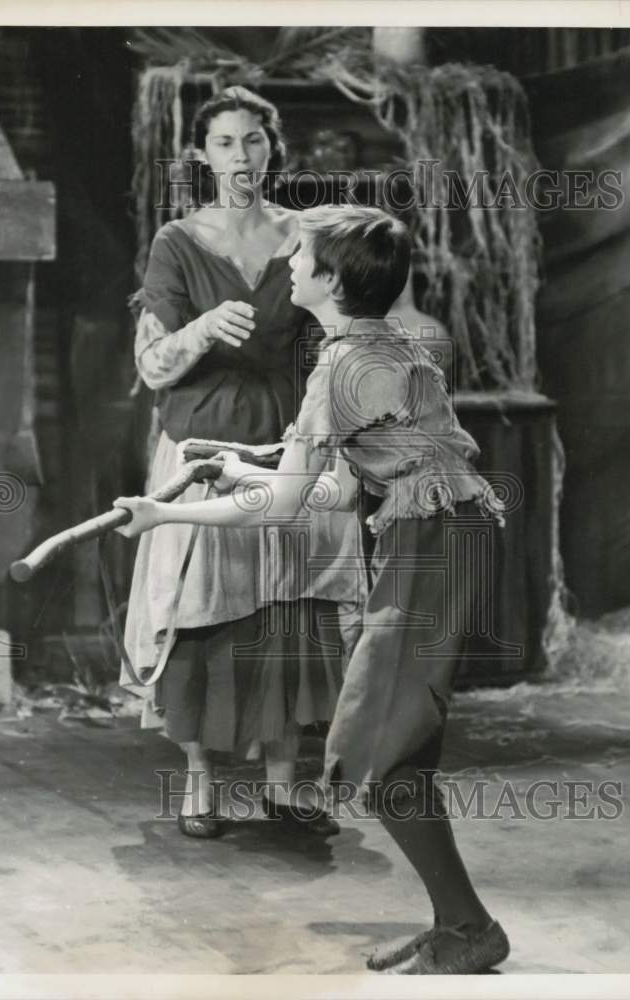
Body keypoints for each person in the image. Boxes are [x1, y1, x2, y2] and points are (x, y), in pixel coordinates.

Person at [114, 205, 511, 974]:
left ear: (329, 281)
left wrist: (165, 511)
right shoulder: (377, 346)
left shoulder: (338, 365)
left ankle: (468, 931)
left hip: (430, 547)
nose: (285, 264)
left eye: (298, 255)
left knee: (375, 750)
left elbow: (290, 503)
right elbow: (335, 487)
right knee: (402, 750)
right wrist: (243, 464)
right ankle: (460, 925)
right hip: (446, 537)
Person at [123, 86, 363, 839]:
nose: (240, 157)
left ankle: (284, 785)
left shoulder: (304, 235)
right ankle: (199, 782)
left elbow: (337, 327)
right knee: (201, 613)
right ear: (202, 154)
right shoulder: (177, 243)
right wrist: (199, 327)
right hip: (200, 442)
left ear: (272, 148)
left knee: (288, 612)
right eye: (225, 143)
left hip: (289, 438)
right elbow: (154, 367)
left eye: (253, 141)